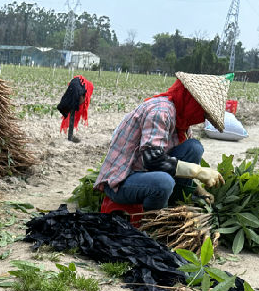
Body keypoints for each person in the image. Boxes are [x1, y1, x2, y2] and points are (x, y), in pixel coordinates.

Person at [95, 72, 229, 220]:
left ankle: (174, 202)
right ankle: (153, 222)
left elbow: (175, 164)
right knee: (164, 182)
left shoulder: (182, 120)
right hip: (123, 181)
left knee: (193, 147)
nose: (200, 119)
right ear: (193, 103)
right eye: (202, 114)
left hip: (148, 173)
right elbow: (153, 160)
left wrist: (198, 190)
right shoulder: (160, 112)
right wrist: (198, 171)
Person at [58, 74, 93, 142]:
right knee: (72, 110)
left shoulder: (83, 88)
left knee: (73, 110)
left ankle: (70, 136)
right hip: (75, 93)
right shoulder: (78, 91)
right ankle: (70, 136)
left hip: (75, 91)